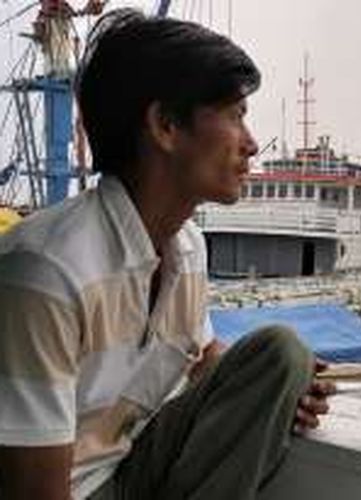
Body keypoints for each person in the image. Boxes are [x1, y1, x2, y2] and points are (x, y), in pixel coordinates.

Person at [0, 9, 335, 500]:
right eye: (235, 116)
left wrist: (279, 390)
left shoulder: (188, 248)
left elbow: (199, 363)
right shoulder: (47, 274)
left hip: (128, 468)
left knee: (282, 355)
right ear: (165, 126)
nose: (252, 144)